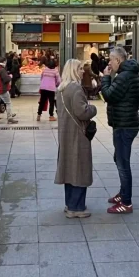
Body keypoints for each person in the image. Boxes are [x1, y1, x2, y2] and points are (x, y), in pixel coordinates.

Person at [99, 47, 139, 214]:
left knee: (123, 163)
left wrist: (105, 78)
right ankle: (123, 193)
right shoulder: (131, 73)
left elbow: (109, 95)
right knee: (119, 158)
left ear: (118, 60)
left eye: (111, 60)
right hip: (126, 122)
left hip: (124, 124)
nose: (109, 63)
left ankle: (126, 202)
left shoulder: (124, 76)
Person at [55, 58, 96, 218]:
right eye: (80, 68)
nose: (83, 71)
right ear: (73, 70)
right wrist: (93, 109)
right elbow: (82, 112)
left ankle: (69, 204)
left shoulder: (61, 89)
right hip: (78, 134)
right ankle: (76, 208)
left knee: (69, 169)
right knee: (80, 169)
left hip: (65, 133)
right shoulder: (76, 89)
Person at [0, 56, 18, 125]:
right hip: (3, 89)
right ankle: (10, 118)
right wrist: (10, 77)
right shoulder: (1, 70)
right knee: (8, 103)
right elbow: (6, 79)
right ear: (4, 62)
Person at [38, 58, 60, 122]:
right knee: (51, 102)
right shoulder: (55, 71)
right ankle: (51, 116)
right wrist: (56, 85)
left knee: (42, 102)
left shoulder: (45, 70)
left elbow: (41, 78)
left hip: (43, 88)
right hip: (51, 88)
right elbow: (58, 81)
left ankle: (39, 115)